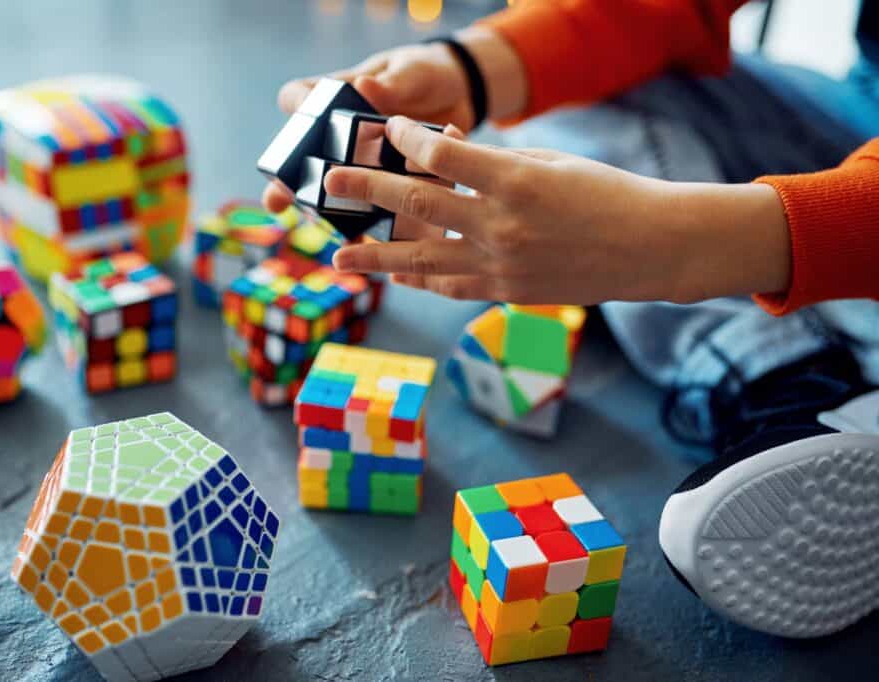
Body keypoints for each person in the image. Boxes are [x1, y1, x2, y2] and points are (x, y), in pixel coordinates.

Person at [264, 1, 879, 639]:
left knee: (554, 152)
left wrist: (679, 241)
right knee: (554, 95)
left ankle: (803, 377)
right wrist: (472, 68)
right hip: (856, 112)